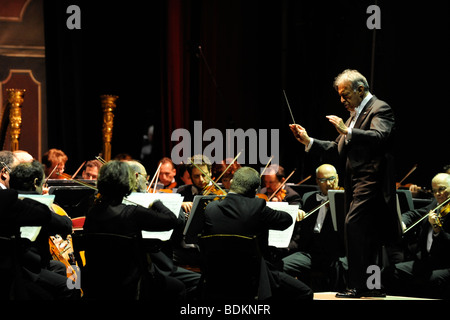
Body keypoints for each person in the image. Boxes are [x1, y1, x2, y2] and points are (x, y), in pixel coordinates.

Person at [289, 69, 401, 298]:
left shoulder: (380, 108)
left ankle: (358, 285)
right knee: (366, 234)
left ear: (361, 90)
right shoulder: (354, 116)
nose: (342, 100)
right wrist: (308, 141)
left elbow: (380, 136)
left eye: (345, 94)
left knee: (354, 226)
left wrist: (347, 130)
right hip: (355, 183)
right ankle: (373, 287)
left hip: (373, 181)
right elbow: (335, 148)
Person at [199, 166, 313, 300]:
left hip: (218, 277)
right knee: (305, 292)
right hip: (252, 276)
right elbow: (286, 221)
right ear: (255, 190)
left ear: (232, 183)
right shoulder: (257, 206)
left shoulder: (210, 208)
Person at [83, 160, 184, 300]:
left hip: (97, 283)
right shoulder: (133, 213)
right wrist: (156, 202)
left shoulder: (92, 213)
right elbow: (171, 220)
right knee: (179, 287)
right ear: (127, 182)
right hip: (130, 284)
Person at [125, 160, 201, 298]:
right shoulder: (140, 206)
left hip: (130, 270)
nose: (148, 182)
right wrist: (159, 203)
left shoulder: (117, 206)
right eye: (145, 177)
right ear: (136, 176)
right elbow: (176, 222)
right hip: (156, 267)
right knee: (200, 282)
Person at [8, 160, 79, 300]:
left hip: (17, 263)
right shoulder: (31, 205)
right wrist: (46, 204)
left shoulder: (8, 200)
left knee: (59, 267)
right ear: (35, 182)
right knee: (71, 286)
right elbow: (65, 225)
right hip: (26, 269)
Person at [383, 173, 450, 299]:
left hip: (445, 264)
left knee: (427, 282)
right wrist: (402, 222)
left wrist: (437, 229)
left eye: (442, 189)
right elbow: (413, 214)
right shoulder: (436, 205)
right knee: (389, 273)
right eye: (435, 191)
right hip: (427, 261)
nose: (438, 194)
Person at [282, 164, 346, 291]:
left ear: (337, 178)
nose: (329, 184)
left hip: (335, 253)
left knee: (342, 269)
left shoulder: (345, 199)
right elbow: (298, 204)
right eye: (323, 180)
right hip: (310, 253)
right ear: (317, 181)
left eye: (332, 178)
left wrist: (336, 207)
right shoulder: (309, 197)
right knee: (281, 266)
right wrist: (298, 211)